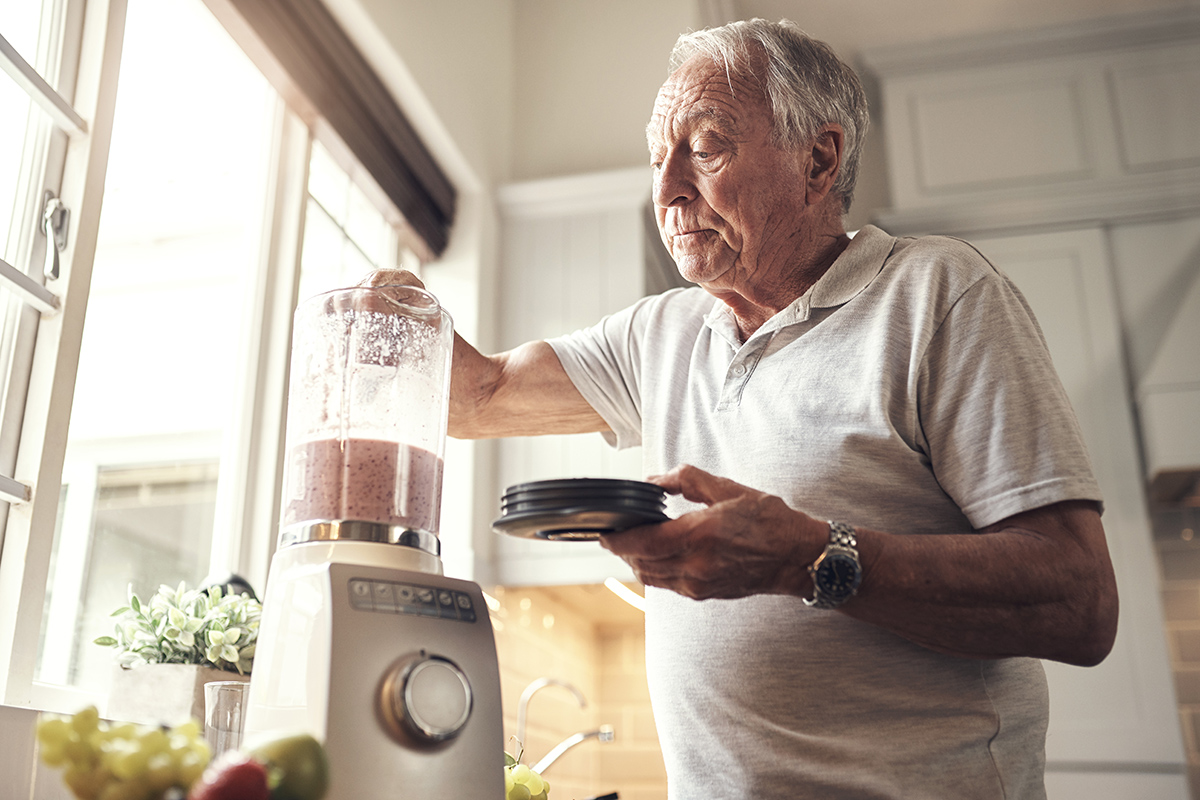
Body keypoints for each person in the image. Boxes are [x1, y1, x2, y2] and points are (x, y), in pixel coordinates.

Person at [365, 18, 1118, 799]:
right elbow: (479, 396)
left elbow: (1078, 600)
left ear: (818, 159)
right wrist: (394, 312)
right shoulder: (663, 331)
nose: (666, 192)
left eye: (706, 147)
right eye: (657, 159)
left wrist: (809, 557)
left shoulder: (938, 294)